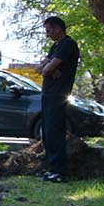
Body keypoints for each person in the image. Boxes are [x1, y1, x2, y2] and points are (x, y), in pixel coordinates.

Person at [38, 14, 79, 182]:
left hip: (58, 95)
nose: (47, 34)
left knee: (55, 131)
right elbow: (39, 68)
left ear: (58, 28)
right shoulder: (55, 47)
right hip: (48, 93)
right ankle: (51, 168)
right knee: (47, 131)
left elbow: (46, 68)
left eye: (49, 30)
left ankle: (60, 171)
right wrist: (48, 68)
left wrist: (49, 68)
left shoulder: (68, 45)